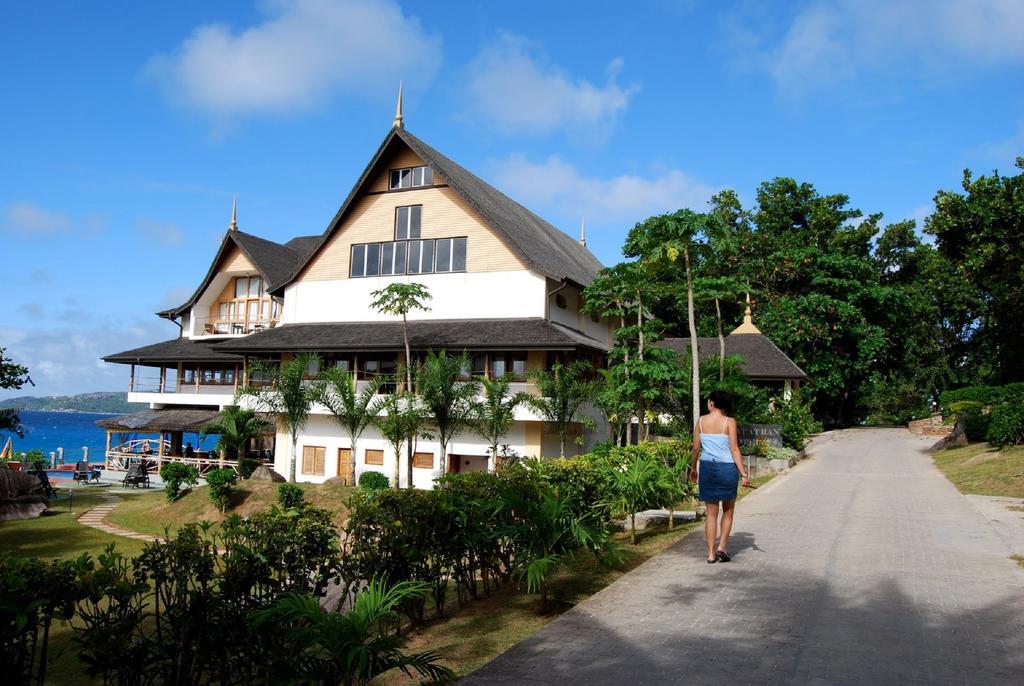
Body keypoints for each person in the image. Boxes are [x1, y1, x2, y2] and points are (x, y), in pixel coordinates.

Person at [688, 390, 751, 563]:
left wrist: (693, 468)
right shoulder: (729, 422)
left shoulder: (700, 421)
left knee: (711, 513)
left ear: (712, 403)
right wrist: (744, 473)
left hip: (707, 467)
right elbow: (735, 449)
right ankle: (722, 547)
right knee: (728, 510)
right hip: (727, 469)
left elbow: (695, 449)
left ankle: (710, 553)